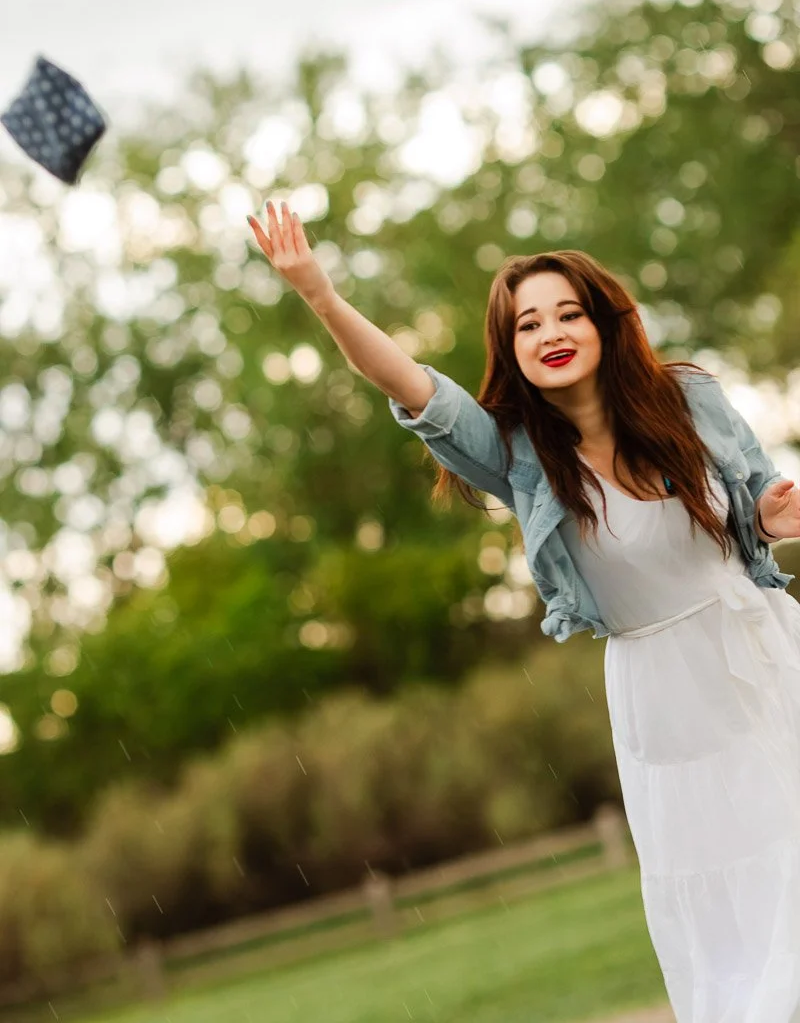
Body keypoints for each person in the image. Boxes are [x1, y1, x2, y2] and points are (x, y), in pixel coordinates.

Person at [246, 200, 800, 1022]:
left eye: (568, 313)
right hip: (670, 704)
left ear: (605, 323)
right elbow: (410, 386)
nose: (551, 332)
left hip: (767, 654)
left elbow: (755, 506)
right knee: (740, 896)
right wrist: (321, 295)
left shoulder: (690, 398)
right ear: (511, 351)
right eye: (527, 325)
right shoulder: (517, 454)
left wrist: (771, 520)